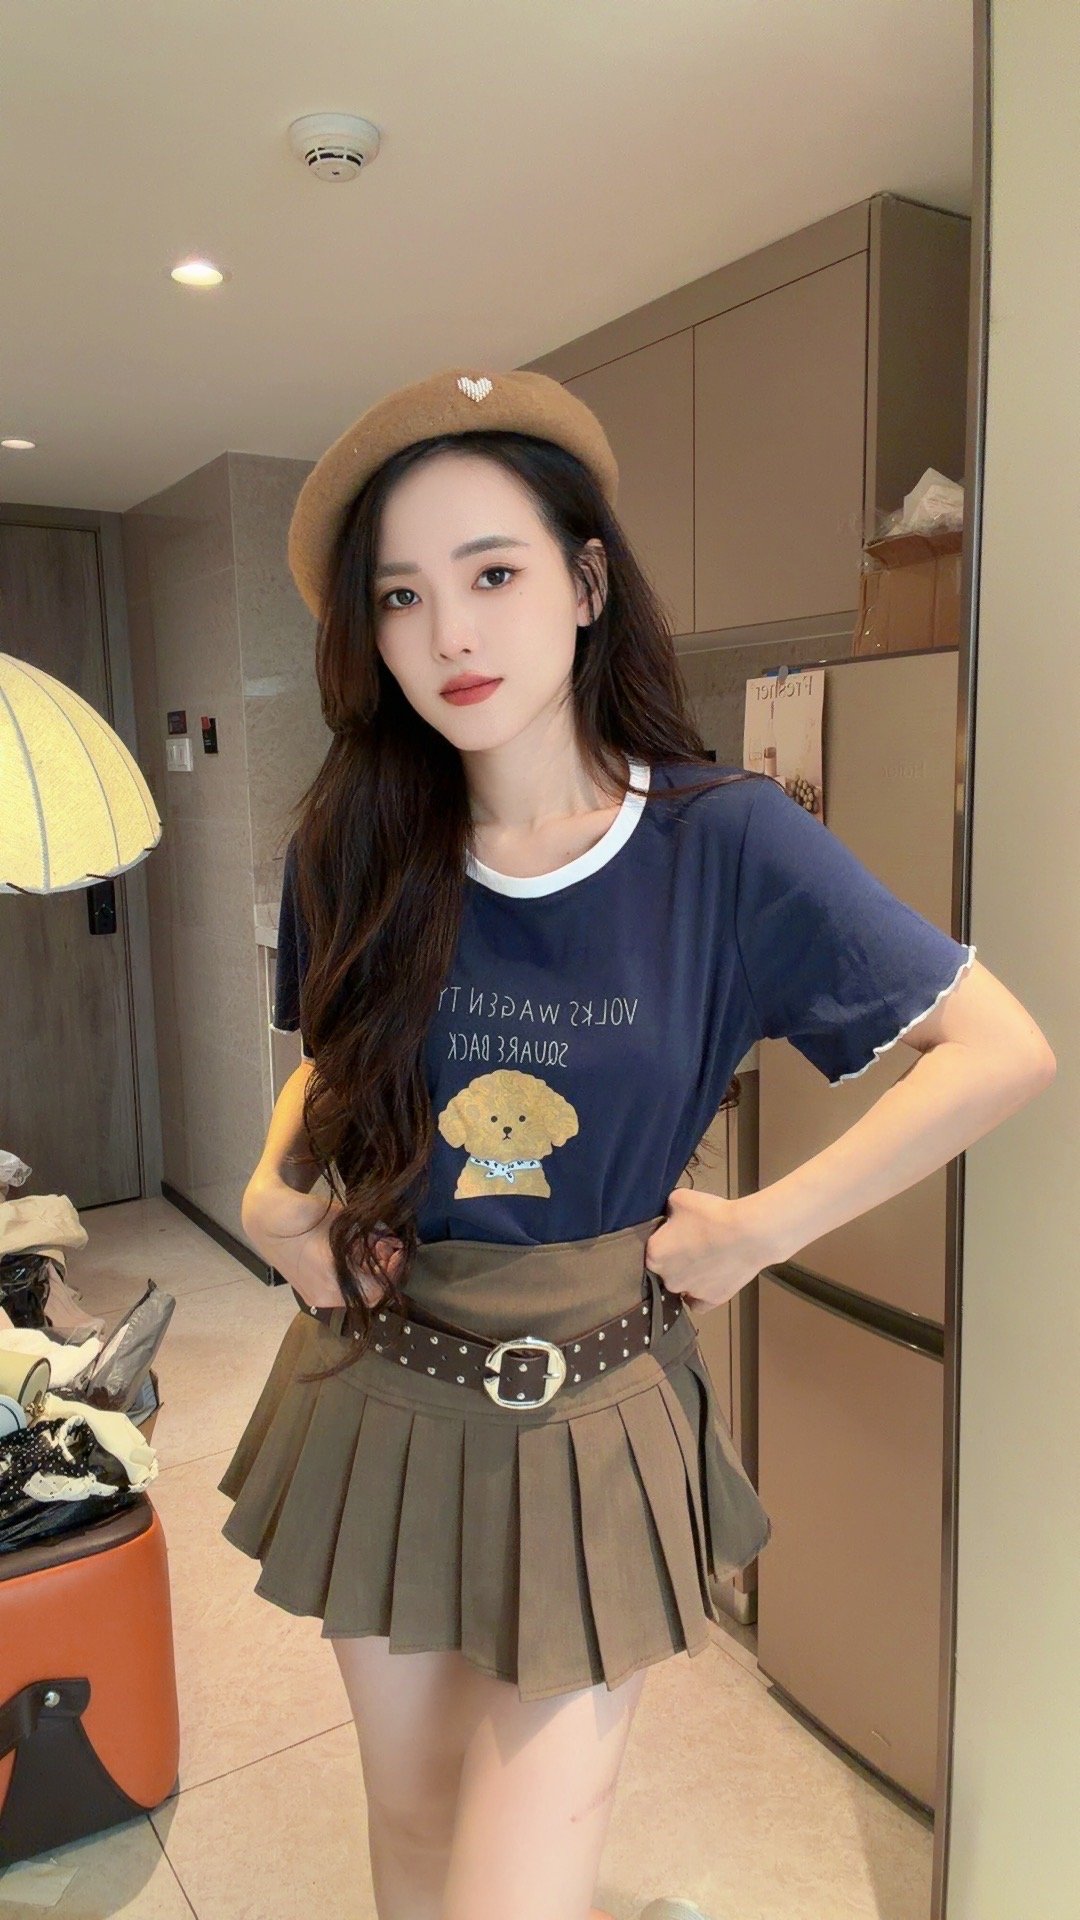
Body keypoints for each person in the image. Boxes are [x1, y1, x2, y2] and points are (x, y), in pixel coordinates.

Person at [217, 367, 1055, 1920]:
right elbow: (332, 1059)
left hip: (590, 1405)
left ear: (586, 583)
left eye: (493, 573)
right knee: (411, 1833)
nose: (449, 634)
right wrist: (277, 1190)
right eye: (401, 596)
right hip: (379, 1384)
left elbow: (1002, 1050)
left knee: (510, 1892)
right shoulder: (359, 837)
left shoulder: (720, 842)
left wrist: (761, 1228)